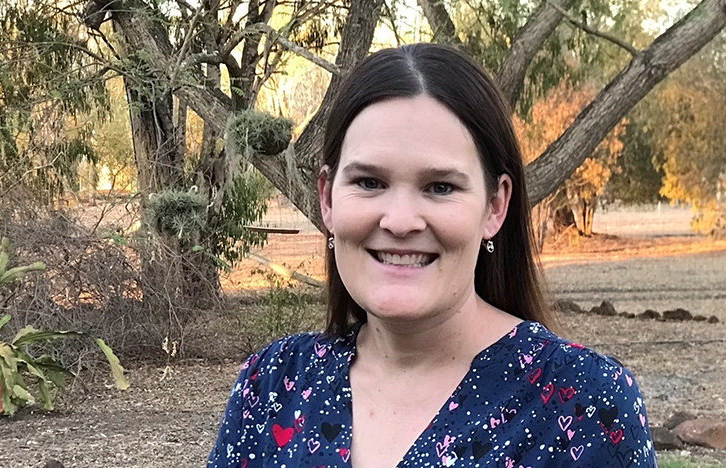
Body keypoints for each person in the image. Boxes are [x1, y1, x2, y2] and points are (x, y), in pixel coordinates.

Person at [207, 43, 656, 468]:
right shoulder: (271, 387)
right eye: (369, 182)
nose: (401, 221)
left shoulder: (585, 404)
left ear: (495, 206)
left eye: (440, 187)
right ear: (327, 199)